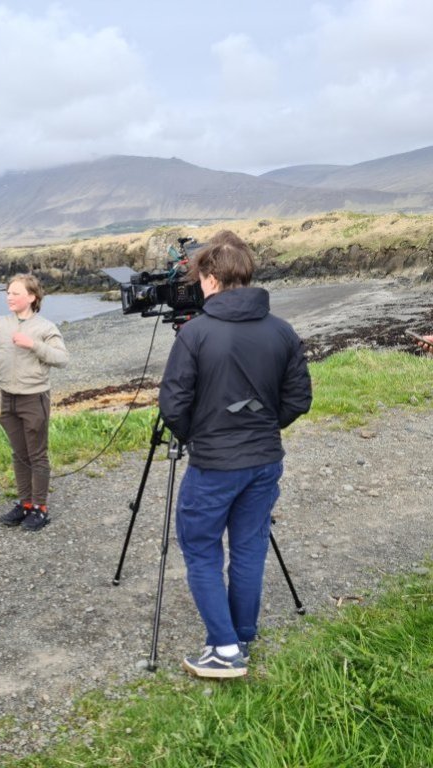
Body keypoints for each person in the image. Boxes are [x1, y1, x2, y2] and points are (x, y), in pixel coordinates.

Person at [158, 231, 312, 679]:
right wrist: (261, 428)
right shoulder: (281, 330)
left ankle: (225, 650)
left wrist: (201, 437)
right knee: (248, 548)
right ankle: (241, 634)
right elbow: (297, 398)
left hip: (214, 463)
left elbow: (173, 405)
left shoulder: (196, 334)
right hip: (263, 460)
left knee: (202, 549)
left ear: (208, 279)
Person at [0, 273, 69, 530]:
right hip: (7, 398)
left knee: (37, 455)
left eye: (15, 293)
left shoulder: (45, 327)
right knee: (19, 454)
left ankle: (40, 508)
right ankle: (25, 504)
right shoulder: (1, 323)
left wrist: (33, 344)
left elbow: (62, 358)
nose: (9, 297)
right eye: (8, 293)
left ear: (32, 297)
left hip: (34, 398)